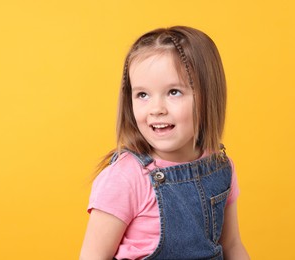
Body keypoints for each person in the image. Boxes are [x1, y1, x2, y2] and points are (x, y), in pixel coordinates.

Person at [80, 26, 249, 260]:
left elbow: (232, 245)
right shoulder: (125, 178)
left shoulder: (221, 168)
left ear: (208, 96)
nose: (156, 109)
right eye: (142, 95)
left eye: (173, 92)